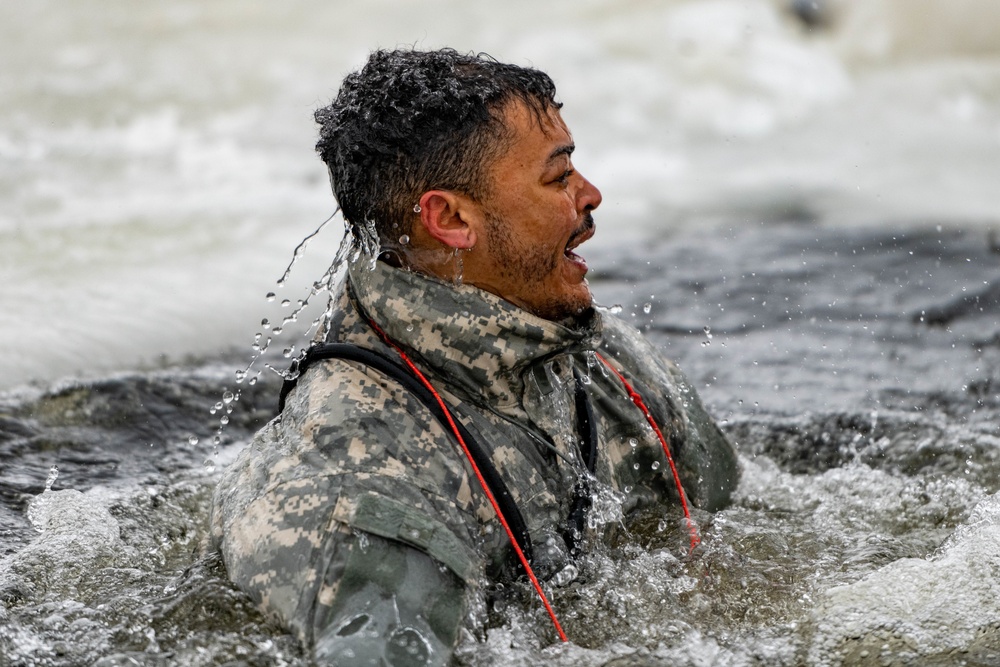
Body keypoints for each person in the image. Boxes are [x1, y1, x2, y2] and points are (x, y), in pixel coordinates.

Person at [209, 48, 740, 666]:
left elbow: (741, 528)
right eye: (558, 176)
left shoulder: (604, 357)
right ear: (451, 219)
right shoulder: (358, 471)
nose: (591, 195)